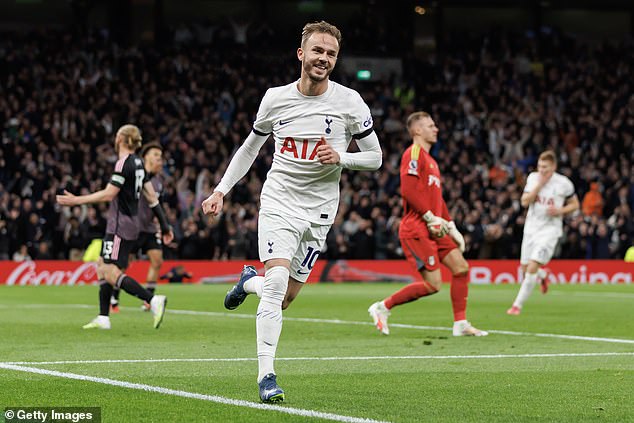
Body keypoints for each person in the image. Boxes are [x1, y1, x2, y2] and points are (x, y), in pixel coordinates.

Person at [201, 21, 382, 403]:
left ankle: (248, 282)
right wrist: (221, 190)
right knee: (278, 284)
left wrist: (342, 158)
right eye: (318, 51)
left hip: (319, 213)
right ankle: (266, 376)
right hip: (279, 202)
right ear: (301, 54)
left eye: (331, 53)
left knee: (282, 298)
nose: (324, 59)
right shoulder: (275, 99)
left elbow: (376, 158)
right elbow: (250, 148)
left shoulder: (350, 102)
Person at [368, 111, 488, 337]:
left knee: (461, 268)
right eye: (430, 125)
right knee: (433, 285)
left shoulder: (432, 161)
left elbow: (438, 198)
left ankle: (460, 324)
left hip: (435, 226)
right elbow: (408, 190)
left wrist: (451, 226)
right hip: (417, 227)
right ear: (417, 130)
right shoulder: (413, 153)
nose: (436, 129)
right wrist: (430, 217)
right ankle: (382, 307)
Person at [56, 124, 173, 329]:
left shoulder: (124, 163)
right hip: (129, 224)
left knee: (110, 271)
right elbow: (152, 197)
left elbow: (109, 194)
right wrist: (165, 226)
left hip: (120, 225)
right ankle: (103, 317)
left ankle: (152, 300)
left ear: (120, 138)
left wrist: (77, 200)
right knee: (102, 265)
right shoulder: (138, 163)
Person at [507, 150, 579, 315]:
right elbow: (524, 202)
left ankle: (517, 306)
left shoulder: (564, 183)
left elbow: (575, 205)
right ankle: (543, 274)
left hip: (550, 230)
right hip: (531, 228)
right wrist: (539, 185)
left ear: (553, 166)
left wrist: (560, 210)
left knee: (531, 266)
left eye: (545, 167)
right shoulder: (533, 178)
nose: (542, 170)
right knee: (525, 269)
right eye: (540, 166)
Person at [110, 142, 167, 312]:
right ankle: (114, 298)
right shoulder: (135, 175)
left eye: (161, 156)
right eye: (156, 155)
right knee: (123, 264)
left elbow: (157, 204)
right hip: (133, 227)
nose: (160, 159)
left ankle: (149, 299)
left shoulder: (160, 182)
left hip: (149, 228)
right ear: (146, 157)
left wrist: (161, 223)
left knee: (157, 259)